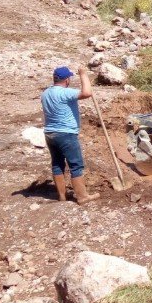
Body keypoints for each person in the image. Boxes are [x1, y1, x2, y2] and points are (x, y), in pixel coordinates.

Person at [41, 65, 99, 203]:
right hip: (65, 134)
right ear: (67, 80)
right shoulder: (64, 93)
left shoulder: (45, 93)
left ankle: (61, 196)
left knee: (57, 164)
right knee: (76, 165)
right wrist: (83, 75)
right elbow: (86, 93)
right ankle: (82, 197)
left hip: (50, 133)